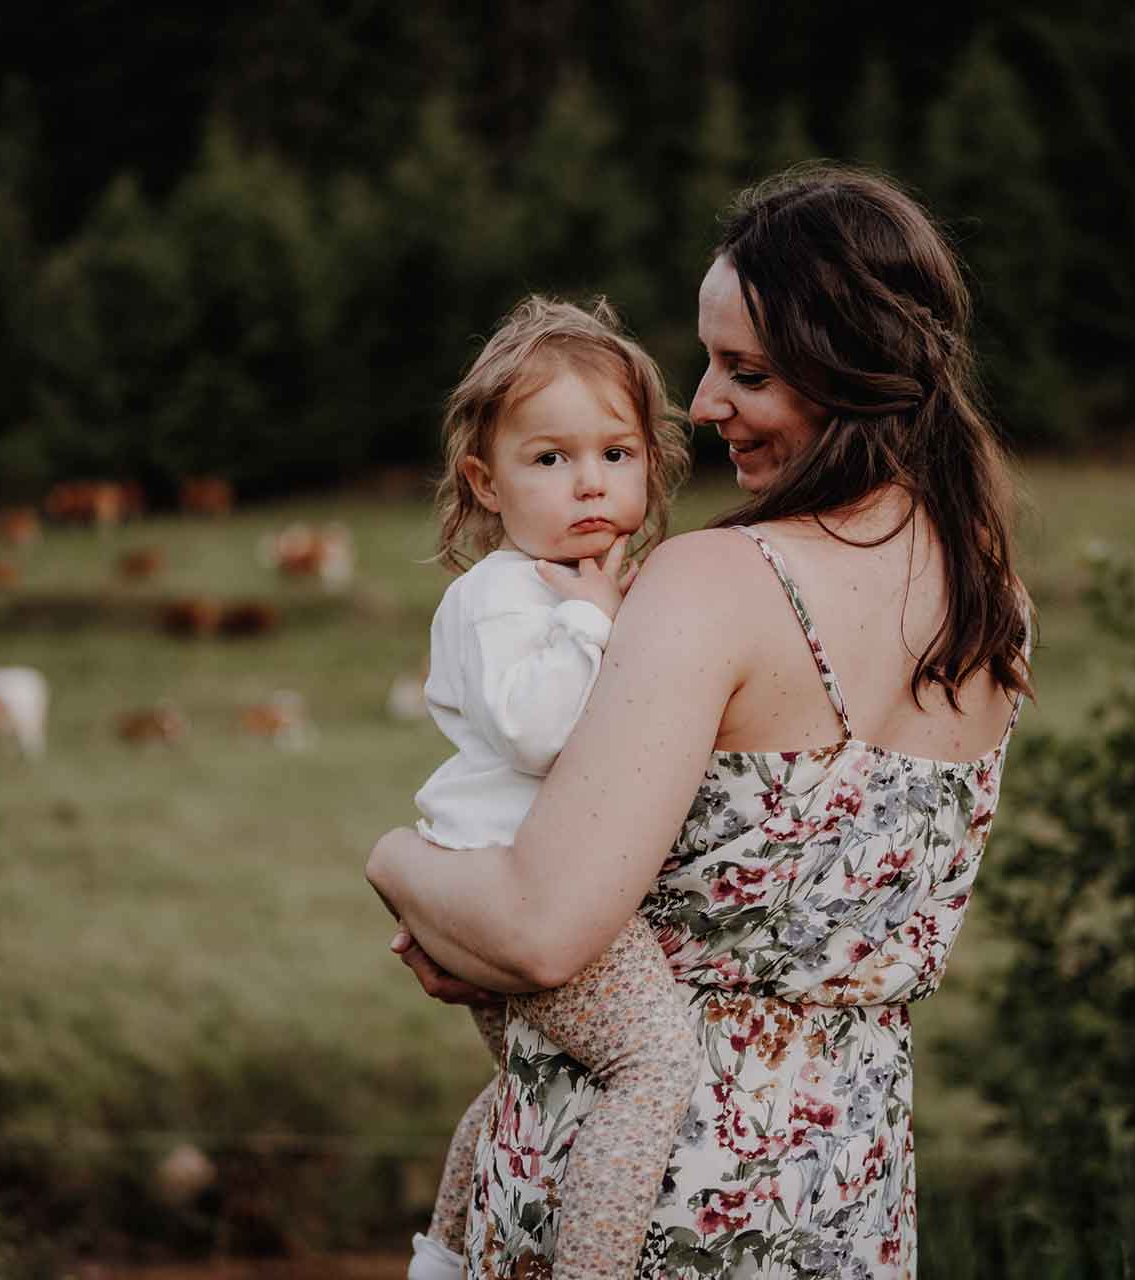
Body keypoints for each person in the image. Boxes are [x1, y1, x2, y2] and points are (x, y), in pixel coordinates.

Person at [369, 163, 1033, 1279]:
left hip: (648, 1207)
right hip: (843, 1196)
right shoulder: (991, 601)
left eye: (748, 370)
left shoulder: (715, 580)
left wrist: (394, 859)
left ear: (853, 371)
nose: (704, 402)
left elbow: (539, 927)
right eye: (710, 359)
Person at [399, 296, 701, 1280]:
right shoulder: (500, 595)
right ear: (485, 482)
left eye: (616, 453)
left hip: (520, 883)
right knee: (652, 1065)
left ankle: (445, 1255)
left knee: (528, 1081)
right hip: (523, 886)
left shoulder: (578, 583)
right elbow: (537, 733)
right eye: (549, 459)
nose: (589, 484)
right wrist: (592, 621)